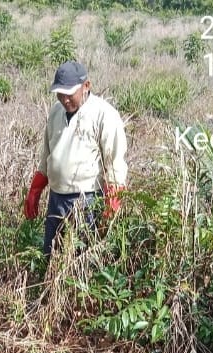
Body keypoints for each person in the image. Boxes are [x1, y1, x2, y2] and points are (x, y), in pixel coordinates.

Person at [23, 60, 129, 257]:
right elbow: (47, 155)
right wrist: (35, 189)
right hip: (56, 199)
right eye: (60, 94)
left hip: (86, 201)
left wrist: (112, 204)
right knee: (51, 255)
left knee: (80, 258)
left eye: (69, 93)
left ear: (86, 86)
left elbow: (115, 164)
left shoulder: (105, 115)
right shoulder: (56, 112)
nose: (64, 99)